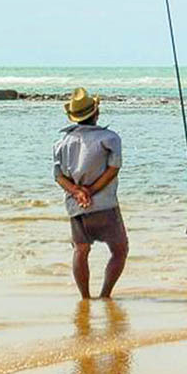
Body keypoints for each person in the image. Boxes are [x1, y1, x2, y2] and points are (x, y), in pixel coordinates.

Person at [53, 87, 129, 299]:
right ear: (96, 114)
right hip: (104, 204)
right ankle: (105, 295)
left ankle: (85, 298)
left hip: (76, 207)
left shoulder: (61, 142)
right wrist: (91, 191)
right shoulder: (110, 138)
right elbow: (114, 168)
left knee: (80, 250)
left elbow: (58, 176)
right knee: (120, 250)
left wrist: (77, 192)